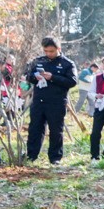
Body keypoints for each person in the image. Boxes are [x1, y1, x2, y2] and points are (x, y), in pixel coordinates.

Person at [24, 37, 78, 165]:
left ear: (58, 48)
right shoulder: (38, 61)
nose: (48, 54)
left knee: (56, 130)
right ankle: (31, 155)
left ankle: (55, 158)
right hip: (39, 101)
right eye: (46, 51)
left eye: (51, 51)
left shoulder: (67, 63)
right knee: (35, 128)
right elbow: (28, 76)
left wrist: (53, 77)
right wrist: (35, 77)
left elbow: (72, 81)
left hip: (56, 101)